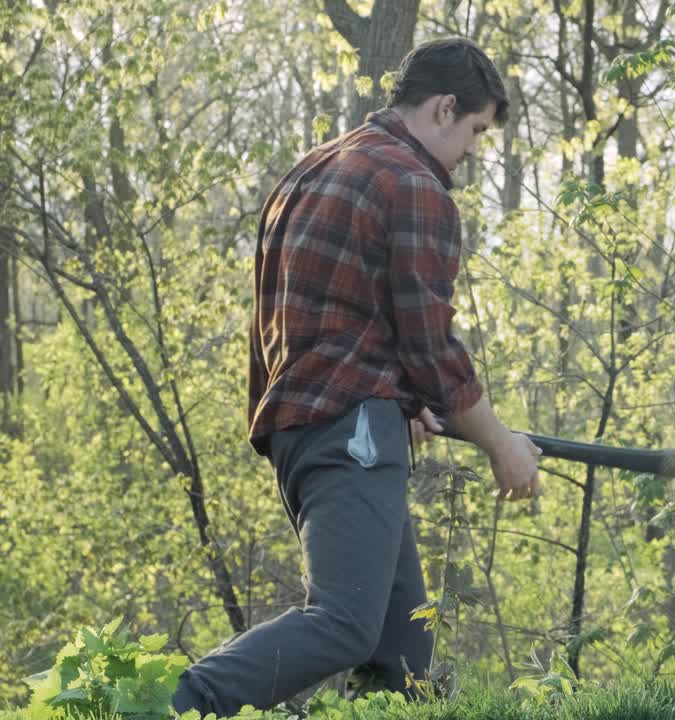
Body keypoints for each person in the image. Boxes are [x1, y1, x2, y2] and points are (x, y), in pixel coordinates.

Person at [171, 37, 541, 717]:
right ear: (444, 108)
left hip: (302, 432)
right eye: (475, 132)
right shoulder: (413, 185)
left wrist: (394, 400)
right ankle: (177, 703)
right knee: (344, 621)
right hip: (351, 434)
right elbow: (433, 351)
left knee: (406, 665)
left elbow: (331, 324)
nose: (471, 153)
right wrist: (500, 443)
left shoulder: (312, 170)